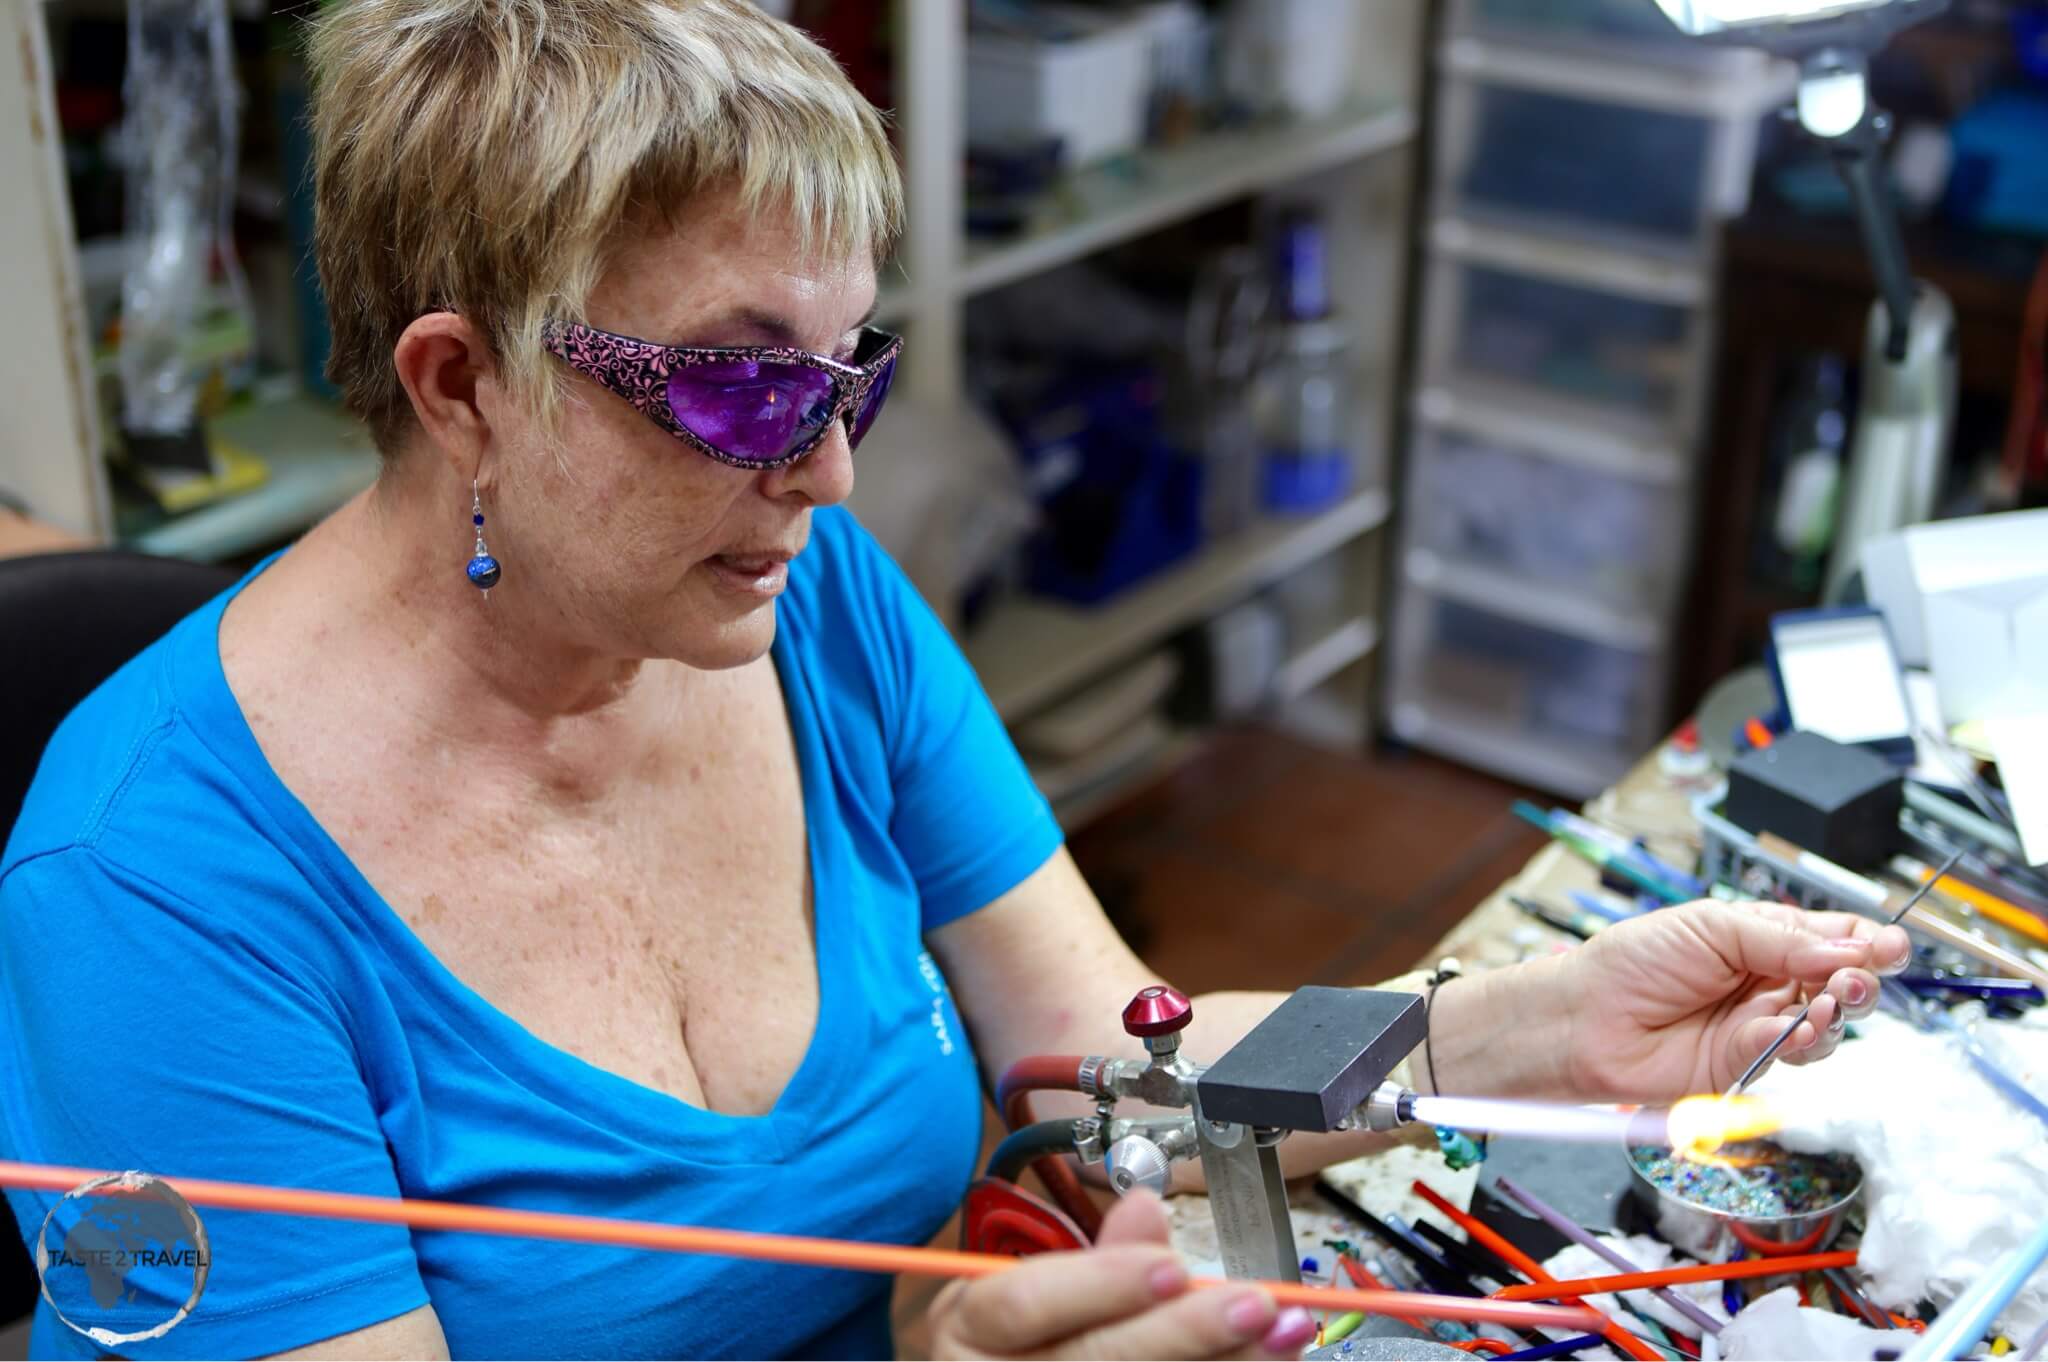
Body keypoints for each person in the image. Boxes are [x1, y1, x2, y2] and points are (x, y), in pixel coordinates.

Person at [0, 2, 1910, 1358]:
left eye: (853, 376)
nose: (829, 474)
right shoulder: (153, 894)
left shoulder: (804, 608)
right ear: (459, 384)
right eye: (744, 383)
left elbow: (1109, 1079)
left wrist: (1519, 1037)